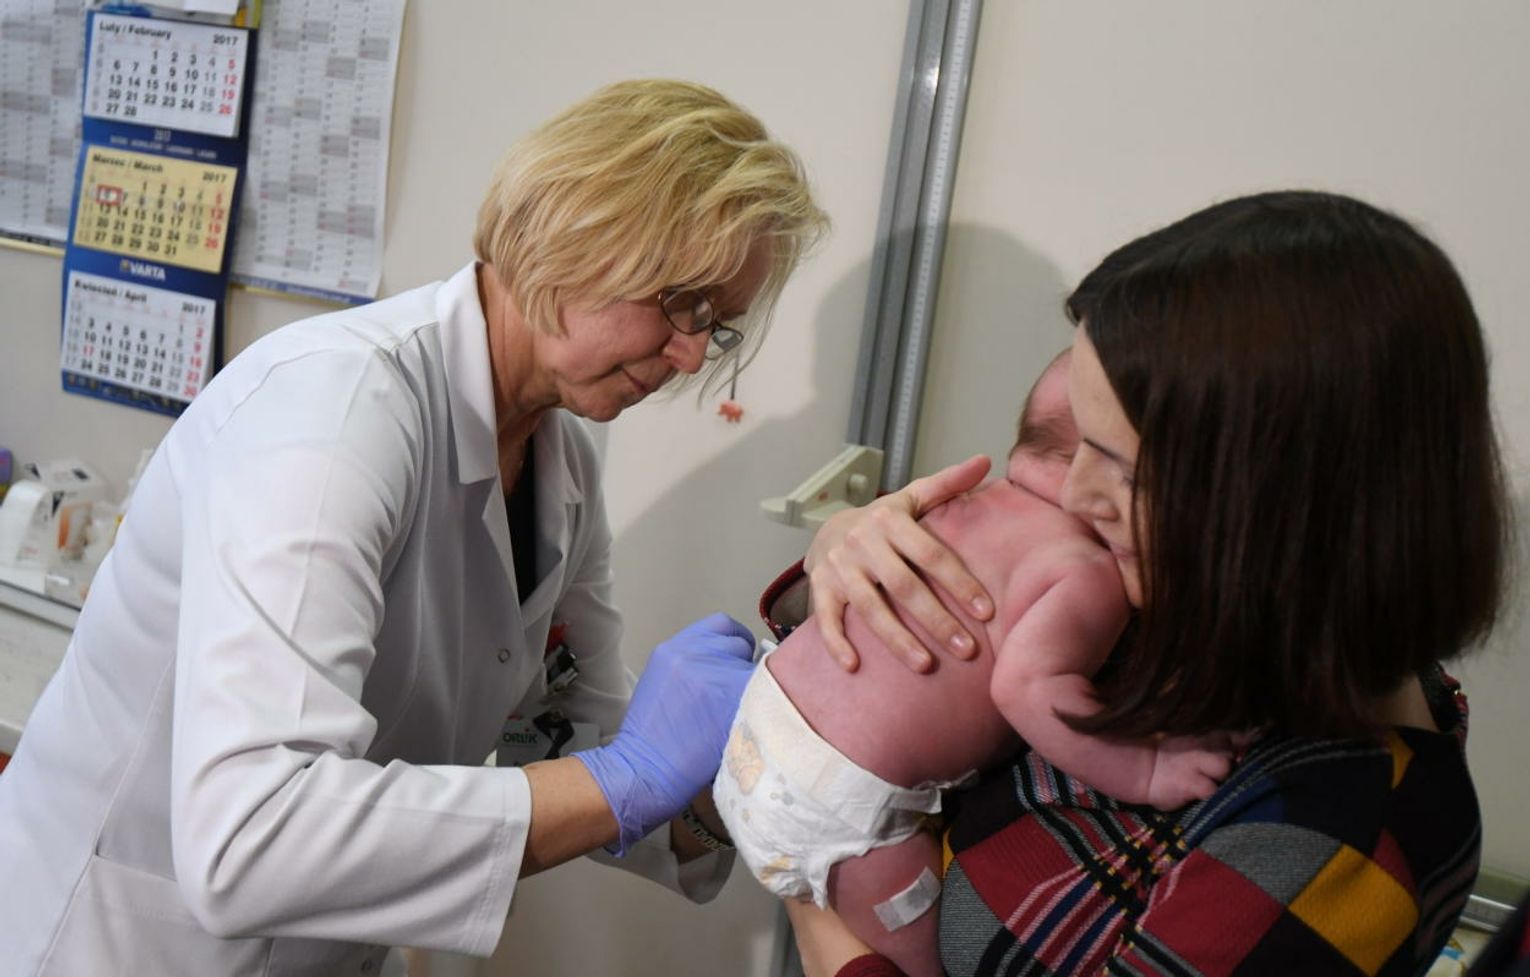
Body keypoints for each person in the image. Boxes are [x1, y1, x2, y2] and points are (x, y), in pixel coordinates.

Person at [0, 79, 828, 977]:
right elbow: (251, 837)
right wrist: (624, 778)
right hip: (118, 947)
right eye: (686, 304)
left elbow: (571, 737)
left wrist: (730, 763)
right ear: (579, 233)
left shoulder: (561, 466)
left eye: (719, 327)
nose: (693, 356)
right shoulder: (336, 414)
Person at [787, 190, 1507, 976]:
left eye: (1125, 470)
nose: (1076, 497)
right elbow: (852, 672)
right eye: (1073, 447)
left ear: (1291, 506)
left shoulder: (1336, 837)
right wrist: (844, 550)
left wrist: (803, 864)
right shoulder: (1181, 606)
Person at [712, 352, 1236, 977]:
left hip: (753, 728)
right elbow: (1027, 690)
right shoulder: (1089, 570)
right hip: (843, 806)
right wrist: (1146, 771)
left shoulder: (965, 501)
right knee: (914, 955)